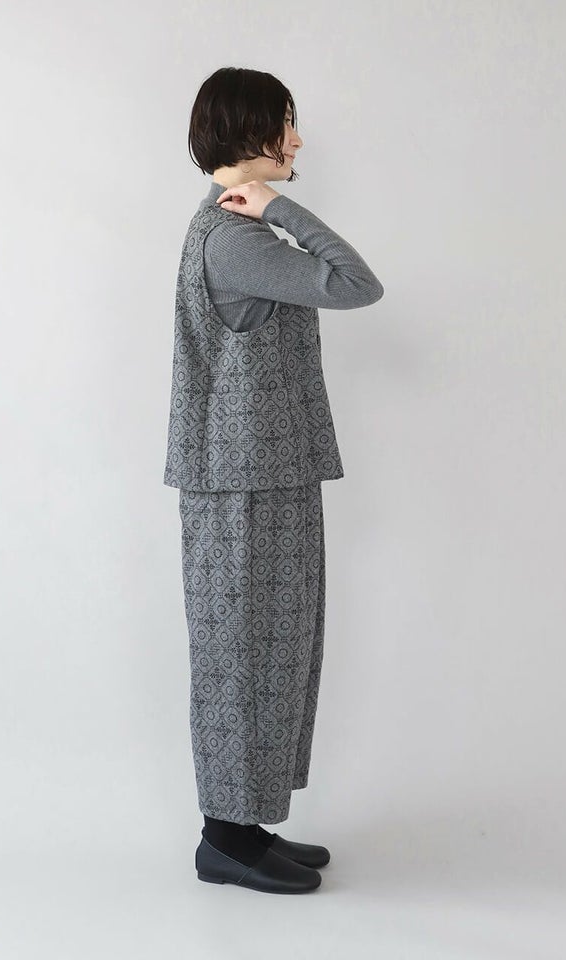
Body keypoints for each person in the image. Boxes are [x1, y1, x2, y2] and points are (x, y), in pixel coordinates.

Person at [163, 66, 384, 894]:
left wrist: (270, 209)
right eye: (285, 123)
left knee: (269, 650)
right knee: (244, 654)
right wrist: (280, 209)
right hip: (244, 480)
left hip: (259, 471)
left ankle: (244, 825)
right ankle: (225, 838)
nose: (297, 140)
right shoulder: (237, 239)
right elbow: (358, 285)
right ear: (249, 129)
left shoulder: (234, 231)